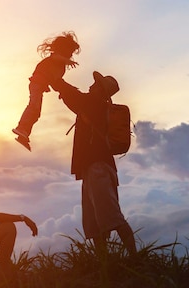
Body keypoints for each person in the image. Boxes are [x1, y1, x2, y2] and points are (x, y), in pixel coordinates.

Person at [56, 71, 136, 255]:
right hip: (95, 169)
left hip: (97, 169)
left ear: (101, 91)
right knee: (95, 224)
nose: (91, 86)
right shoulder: (98, 107)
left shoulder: (94, 104)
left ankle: (136, 259)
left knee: (113, 218)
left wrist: (55, 79)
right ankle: (103, 265)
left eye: (96, 84)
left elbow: (73, 97)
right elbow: (73, 98)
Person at [13, 31, 80, 151]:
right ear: (63, 50)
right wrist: (67, 61)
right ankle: (22, 127)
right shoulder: (54, 59)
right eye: (69, 52)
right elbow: (56, 58)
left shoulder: (60, 66)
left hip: (39, 85)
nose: (70, 55)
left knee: (36, 111)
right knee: (34, 107)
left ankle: (24, 135)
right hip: (37, 83)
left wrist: (65, 90)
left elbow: (57, 81)